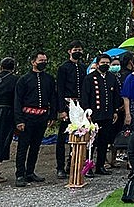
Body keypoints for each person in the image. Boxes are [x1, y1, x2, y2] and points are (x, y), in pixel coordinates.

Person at [14, 50, 56, 187]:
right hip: (27, 117)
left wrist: (52, 115)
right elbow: (17, 101)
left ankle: (30, 172)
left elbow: (52, 98)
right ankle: (20, 174)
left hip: (42, 117)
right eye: (40, 61)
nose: (43, 63)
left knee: (36, 146)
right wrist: (19, 120)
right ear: (33, 62)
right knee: (23, 147)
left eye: (45, 61)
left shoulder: (49, 79)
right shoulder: (24, 79)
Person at [81, 53, 121, 176]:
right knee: (92, 142)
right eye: (102, 63)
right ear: (97, 64)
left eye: (107, 63)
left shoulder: (112, 78)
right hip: (94, 115)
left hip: (108, 114)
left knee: (104, 142)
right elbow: (85, 96)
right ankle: (88, 166)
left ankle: (100, 166)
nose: (105, 65)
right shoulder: (90, 78)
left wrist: (115, 111)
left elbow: (115, 96)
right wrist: (87, 111)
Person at [55, 40, 85, 179]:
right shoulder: (63, 68)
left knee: (80, 135)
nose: (77, 52)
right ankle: (60, 167)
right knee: (62, 137)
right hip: (67, 104)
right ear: (69, 51)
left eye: (79, 49)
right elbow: (59, 89)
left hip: (80, 106)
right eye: (75, 49)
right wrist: (61, 109)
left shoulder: (83, 67)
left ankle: (73, 164)